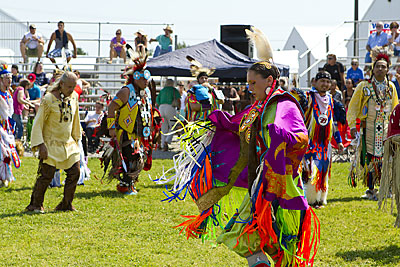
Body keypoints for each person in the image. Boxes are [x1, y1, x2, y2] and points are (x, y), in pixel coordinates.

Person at [153, 28, 319, 267]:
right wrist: (219, 121)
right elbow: (239, 125)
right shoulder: (259, 106)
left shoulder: (283, 103)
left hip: (282, 182)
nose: (249, 87)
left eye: (253, 82)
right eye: (247, 82)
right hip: (261, 179)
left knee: (284, 241)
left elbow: (300, 136)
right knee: (243, 233)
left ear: (270, 81)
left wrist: (280, 136)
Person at [102, 51, 161, 195]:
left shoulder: (146, 91)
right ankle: (126, 185)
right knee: (134, 157)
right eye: (142, 78)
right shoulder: (126, 91)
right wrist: (111, 127)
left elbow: (148, 109)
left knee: (139, 158)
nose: (146, 81)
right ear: (135, 78)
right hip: (126, 132)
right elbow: (111, 107)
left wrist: (154, 123)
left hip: (141, 133)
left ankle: (128, 184)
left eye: (147, 78)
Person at [26, 72, 81, 213]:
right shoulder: (49, 99)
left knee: (75, 172)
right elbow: (38, 123)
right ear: (61, 84)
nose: (71, 89)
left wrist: (77, 136)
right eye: (69, 86)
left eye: (74, 86)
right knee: (46, 176)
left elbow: (76, 119)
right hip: (51, 144)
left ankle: (66, 204)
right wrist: (41, 145)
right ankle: (35, 205)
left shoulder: (74, 97)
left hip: (68, 143)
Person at [347, 48, 398, 200]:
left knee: (387, 157)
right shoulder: (364, 86)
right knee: (368, 158)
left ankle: (386, 187)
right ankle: (371, 189)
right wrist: (352, 126)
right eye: (378, 66)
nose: (380, 69)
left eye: (383, 66)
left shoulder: (391, 87)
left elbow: (395, 109)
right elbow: (354, 107)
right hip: (368, 128)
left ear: (388, 69)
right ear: (373, 69)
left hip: (386, 129)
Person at [302, 71, 344, 207]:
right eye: (322, 81)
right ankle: (310, 199)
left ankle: (320, 198)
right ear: (315, 82)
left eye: (328, 81)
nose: (325, 84)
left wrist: (339, 141)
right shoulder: (308, 97)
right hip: (310, 142)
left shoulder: (331, 100)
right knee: (309, 170)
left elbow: (334, 123)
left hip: (325, 144)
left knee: (323, 170)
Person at [0, 62, 21, 187]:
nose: (9, 80)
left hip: (6, 128)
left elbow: (9, 113)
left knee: (7, 152)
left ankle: (5, 176)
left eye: (11, 78)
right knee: (2, 152)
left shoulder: (8, 94)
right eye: (7, 78)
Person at [186, 56, 224, 121]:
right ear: (198, 80)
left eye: (206, 78)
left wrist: (211, 89)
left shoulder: (213, 90)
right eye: (201, 78)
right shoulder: (193, 91)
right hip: (199, 122)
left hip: (212, 122)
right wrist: (209, 106)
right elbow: (193, 107)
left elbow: (221, 101)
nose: (204, 80)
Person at [156, 79, 180, 151]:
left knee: (164, 128)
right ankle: (167, 140)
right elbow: (178, 100)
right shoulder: (174, 90)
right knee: (173, 126)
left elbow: (157, 101)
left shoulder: (162, 90)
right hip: (170, 108)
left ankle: (163, 144)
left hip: (161, 108)